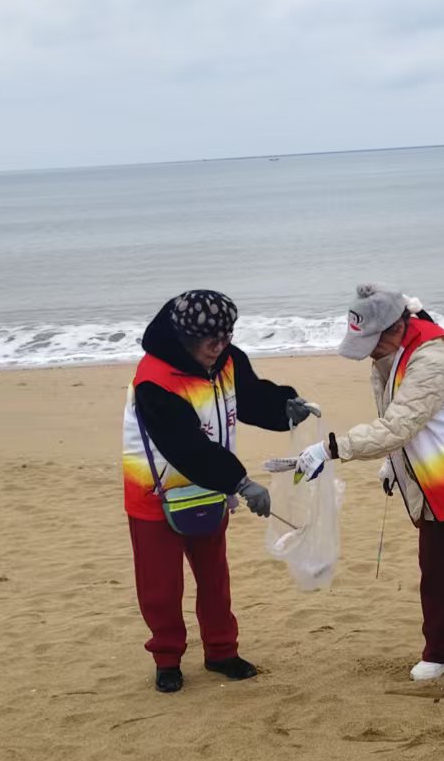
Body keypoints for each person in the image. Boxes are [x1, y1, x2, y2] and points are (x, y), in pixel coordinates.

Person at [287, 284, 444, 694]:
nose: (368, 352)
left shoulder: (432, 359)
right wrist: (394, 463)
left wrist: (330, 449)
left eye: (372, 342)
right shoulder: (389, 355)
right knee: (436, 574)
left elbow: (399, 425)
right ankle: (443, 652)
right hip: (435, 480)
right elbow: (403, 422)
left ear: (397, 328)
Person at [122, 290, 319, 693]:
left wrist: (284, 407)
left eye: (226, 336)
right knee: (161, 587)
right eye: (210, 340)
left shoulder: (227, 358)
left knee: (214, 579)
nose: (219, 346)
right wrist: (240, 481)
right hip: (156, 493)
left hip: (210, 487)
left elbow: (250, 397)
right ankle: (167, 659)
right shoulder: (154, 381)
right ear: (185, 337)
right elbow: (185, 446)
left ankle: (221, 652)